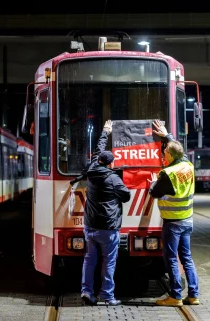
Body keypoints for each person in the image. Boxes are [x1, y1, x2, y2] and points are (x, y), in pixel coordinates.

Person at [149, 119, 200, 307]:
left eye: (165, 152)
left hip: (172, 223)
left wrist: (152, 182)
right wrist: (167, 136)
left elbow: (154, 193)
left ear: (170, 155)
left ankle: (175, 296)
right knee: (186, 258)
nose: (163, 154)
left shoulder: (167, 173)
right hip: (187, 220)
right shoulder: (188, 165)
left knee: (171, 258)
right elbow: (181, 153)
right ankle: (193, 295)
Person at [81, 120, 131, 306]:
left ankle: (86, 291)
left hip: (90, 226)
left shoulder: (92, 169)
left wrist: (105, 132)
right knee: (108, 262)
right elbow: (125, 196)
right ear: (111, 164)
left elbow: (97, 150)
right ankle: (107, 296)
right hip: (108, 228)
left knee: (89, 260)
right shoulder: (113, 179)